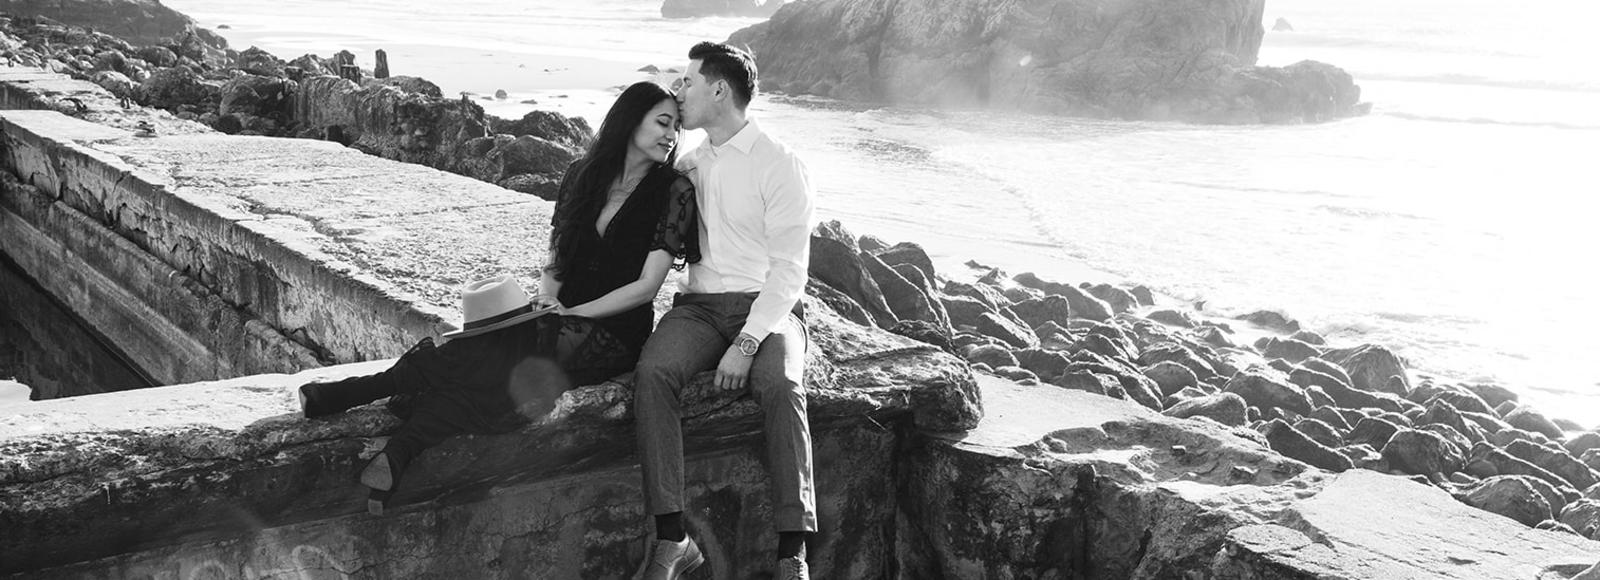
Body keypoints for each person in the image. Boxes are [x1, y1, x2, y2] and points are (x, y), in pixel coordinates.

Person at [295, 81, 698, 515]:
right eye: (663, 123)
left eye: (677, 127)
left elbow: (647, 287)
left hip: (613, 332)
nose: (671, 135)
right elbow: (558, 257)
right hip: (556, 317)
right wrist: (546, 301)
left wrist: (571, 312)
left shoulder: (673, 190)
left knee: (489, 355)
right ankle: (398, 452)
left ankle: (360, 396)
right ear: (630, 120)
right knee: (492, 366)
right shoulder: (582, 174)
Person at [632, 42, 816, 580]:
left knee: (782, 385)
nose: (678, 92)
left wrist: (748, 342)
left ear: (718, 90)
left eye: (687, 82)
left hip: (768, 307)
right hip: (699, 309)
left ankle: (792, 553)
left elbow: (790, 271)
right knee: (653, 372)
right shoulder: (688, 164)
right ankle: (672, 539)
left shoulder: (780, 163)